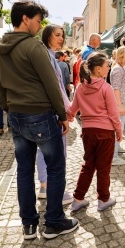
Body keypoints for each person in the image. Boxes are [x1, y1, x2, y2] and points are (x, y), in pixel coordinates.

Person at [0, 0, 78, 240]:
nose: (40, 25)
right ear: (25, 19)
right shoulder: (33, 47)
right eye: (38, 20)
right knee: (55, 167)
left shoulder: (1, 48)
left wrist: (7, 109)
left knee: (24, 170)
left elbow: (0, 86)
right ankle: (53, 222)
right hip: (40, 114)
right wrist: (62, 115)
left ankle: (29, 225)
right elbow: (51, 83)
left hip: (17, 115)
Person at [67, 51, 122, 212]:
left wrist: (66, 118)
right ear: (98, 69)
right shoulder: (106, 88)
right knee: (103, 167)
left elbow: (72, 109)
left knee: (88, 164)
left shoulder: (80, 87)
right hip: (105, 132)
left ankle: (78, 198)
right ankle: (103, 199)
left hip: (88, 131)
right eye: (107, 65)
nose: (109, 67)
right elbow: (113, 113)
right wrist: (119, 131)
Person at [37, 25, 73, 206]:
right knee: (54, 152)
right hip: (52, 111)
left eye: (62, 35)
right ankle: (50, 188)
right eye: (57, 35)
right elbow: (56, 88)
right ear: (46, 36)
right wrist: (65, 110)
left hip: (50, 109)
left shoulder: (49, 56)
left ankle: (45, 185)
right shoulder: (48, 57)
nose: (61, 38)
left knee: (46, 150)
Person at [110, 46, 125, 165]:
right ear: (121, 57)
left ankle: (117, 148)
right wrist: (120, 106)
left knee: (119, 128)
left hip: (120, 103)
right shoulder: (118, 69)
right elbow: (116, 88)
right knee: (117, 128)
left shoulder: (119, 68)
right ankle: (113, 156)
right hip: (117, 104)